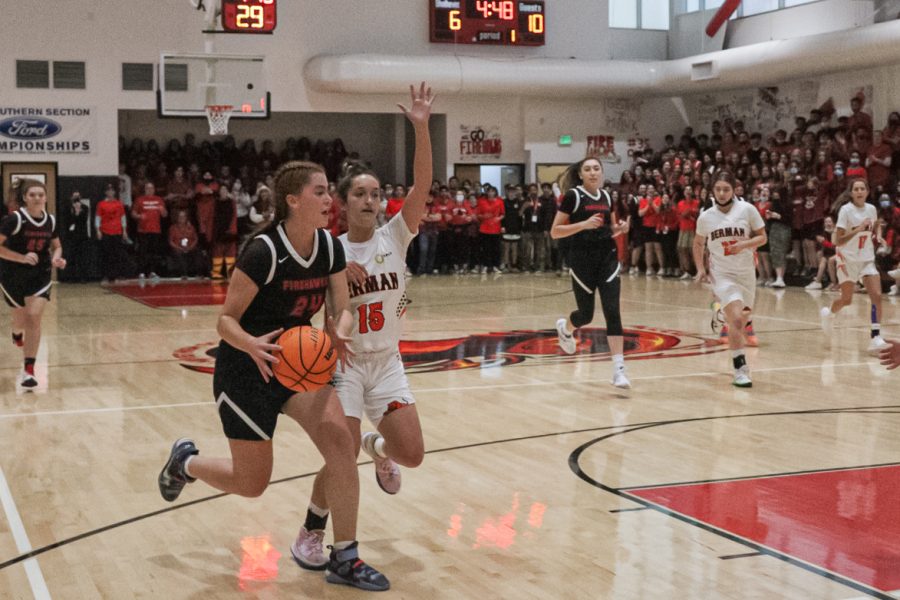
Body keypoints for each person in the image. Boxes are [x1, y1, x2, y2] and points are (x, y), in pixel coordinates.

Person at [157, 160, 389, 591]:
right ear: (293, 200)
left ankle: (346, 557)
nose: (329, 199)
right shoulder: (264, 251)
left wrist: (337, 334)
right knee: (252, 483)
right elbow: (225, 321)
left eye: (328, 191)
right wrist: (252, 344)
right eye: (319, 192)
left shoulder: (328, 247)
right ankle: (185, 463)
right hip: (247, 371)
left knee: (342, 442)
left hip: (299, 368)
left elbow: (345, 308)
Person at [292, 82, 433, 575]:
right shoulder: (329, 250)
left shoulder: (397, 234)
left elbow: (422, 185)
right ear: (344, 202)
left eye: (377, 194)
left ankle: (380, 450)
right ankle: (312, 529)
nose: (372, 200)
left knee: (411, 454)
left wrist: (420, 127)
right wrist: (342, 293)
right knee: (340, 454)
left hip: (387, 361)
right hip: (344, 365)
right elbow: (324, 313)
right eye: (361, 194)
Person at [551, 157, 631, 389]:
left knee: (613, 312)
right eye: (588, 169)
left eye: (597, 168)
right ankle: (565, 329)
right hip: (582, 261)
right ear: (580, 174)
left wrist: (620, 229)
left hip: (607, 260)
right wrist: (582, 225)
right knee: (586, 316)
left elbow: (609, 229)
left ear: (602, 173)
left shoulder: (607, 197)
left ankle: (619, 370)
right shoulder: (573, 197)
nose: (593, 172)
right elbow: (555, 232)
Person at [693, 170, 767, 387]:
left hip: (746, 272)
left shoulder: (747, 209)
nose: (722, 193)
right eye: (718, 189)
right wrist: (700, 269)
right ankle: (740, 368)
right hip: (722, 273)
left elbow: (763, 237)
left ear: (734, 189)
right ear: (712, 191)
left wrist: (743, 245)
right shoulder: (706, 217)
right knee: (735, 319)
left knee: (741, 320)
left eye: (726, 189)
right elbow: (698, 244)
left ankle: (721, 312)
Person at [0, 179, 66, 388]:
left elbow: (57, 246)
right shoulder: (14, 220)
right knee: (20, 319)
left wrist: (57, 258)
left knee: (33, 316)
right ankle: (16, 333)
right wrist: (21, 257)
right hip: (12, 273)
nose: (37, 198)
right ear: (25, 198)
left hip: (40, 273)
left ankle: (29, 370)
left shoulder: (51, 221)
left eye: (40, 194)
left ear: (46, 197)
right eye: (32, 195)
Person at [819, 178, 890, 355]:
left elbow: (876, 224)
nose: (859, 191)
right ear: (851, 193)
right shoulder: (846, 211)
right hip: (847, 259)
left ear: (867, 191)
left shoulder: (871, 209)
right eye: (856, 189)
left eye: (862, 188)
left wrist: (879, 236)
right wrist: (859, 229)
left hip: (866, 258)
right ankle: (829, 313)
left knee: (877, 295)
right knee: (847, 299)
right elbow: (838, 240)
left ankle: (875, 337)